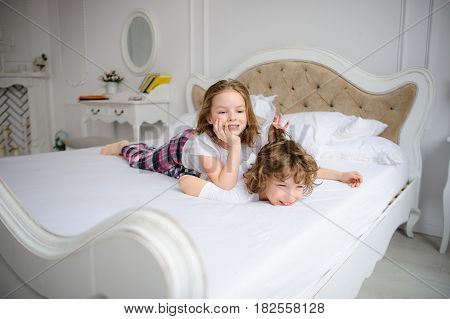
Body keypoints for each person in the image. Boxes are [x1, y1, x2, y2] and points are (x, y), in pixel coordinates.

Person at [100, 79, 275, 189]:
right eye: (222, 112)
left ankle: (146, 147)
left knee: (182, 173)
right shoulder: (203, 143)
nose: (232, 118)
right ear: (209, 118)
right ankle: (124, 146)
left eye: (239, 111)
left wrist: (275, 137)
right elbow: (225, 184)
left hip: (195, 165)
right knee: (142, 161)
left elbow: (276, 163)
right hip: (182, 147)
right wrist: (235, 144)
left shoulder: (255, 136)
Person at [179, 129, 363, 206]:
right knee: (149, 156)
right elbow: (185, 181)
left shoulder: (279, 172)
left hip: (216, 154)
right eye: (282, 186)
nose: (291, 196)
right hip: (183, 154)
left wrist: (341, 175)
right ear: (263, 177)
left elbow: (308, 171)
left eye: (299, 187)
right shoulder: (240, 195)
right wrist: (212, 188)